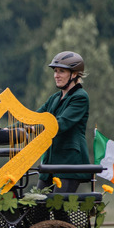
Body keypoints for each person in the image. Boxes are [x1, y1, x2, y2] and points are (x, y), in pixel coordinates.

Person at [38, 51, 91, 193]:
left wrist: (37, 128)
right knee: (36, 209)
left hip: (69, 163)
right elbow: (34, 118)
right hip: (50, 163)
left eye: (61, 71)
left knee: (58, 207)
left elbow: (60, 124)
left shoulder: (80, 97)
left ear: (74, 74)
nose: (56, 75)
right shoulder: (54, 98)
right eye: (55, 71)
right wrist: (7, 130)